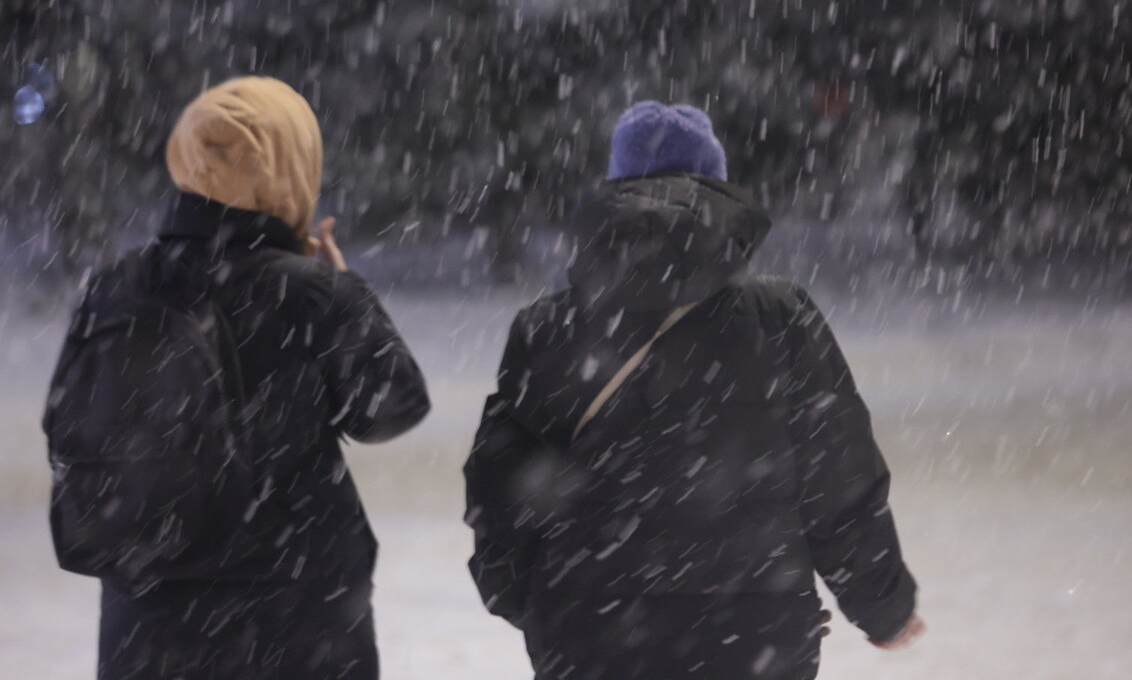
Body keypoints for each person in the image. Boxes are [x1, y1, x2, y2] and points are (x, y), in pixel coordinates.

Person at [464, 101, 923, 680]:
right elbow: (838, 478)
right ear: (719, 192)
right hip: (753, 641)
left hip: (591, 636)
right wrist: (883, 606)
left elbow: (499, 490)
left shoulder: (546, 330)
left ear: (614, 193)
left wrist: (534, 602)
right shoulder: (780, 318)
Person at [44, 76, 430, 680]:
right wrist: (344, 287)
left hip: (146, 624)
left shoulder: (115, 287)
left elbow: (65, 425)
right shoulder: (310, 292)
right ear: (290, 169)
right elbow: (394, 408)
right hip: (292, 623)